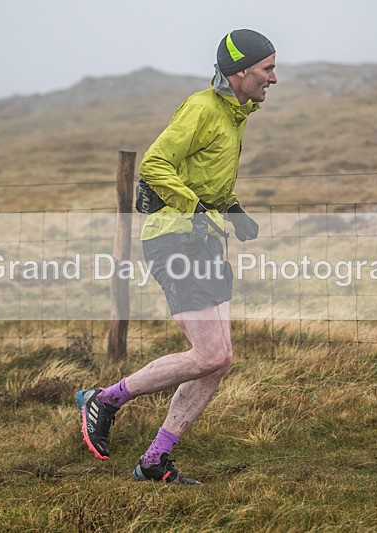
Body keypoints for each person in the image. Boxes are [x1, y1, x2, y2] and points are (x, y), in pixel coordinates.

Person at [76, 29, 277, 484]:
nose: (274, 78)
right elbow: (155, 165)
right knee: (210, 354)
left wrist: (231, 209)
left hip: (203, 238)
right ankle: (105, 400)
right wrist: (198, 208)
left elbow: (203, 174)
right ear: (240, 71)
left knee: (220, 359)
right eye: (267, 68)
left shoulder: (235, 115)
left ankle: (154, 460)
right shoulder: (203, 108)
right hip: (175, 237)